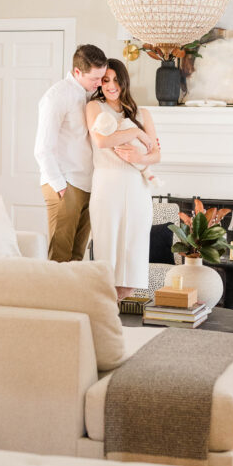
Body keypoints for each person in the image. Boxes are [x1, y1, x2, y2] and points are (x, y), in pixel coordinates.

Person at [85, 58, 161, 300]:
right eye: (105, 80)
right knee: (108, 252)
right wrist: (136, 132)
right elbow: (102, 141)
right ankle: (105, 317)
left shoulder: (143, 113)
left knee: (133, 258)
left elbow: (157, 154)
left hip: (138, 189)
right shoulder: (94, 108)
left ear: (124, 81)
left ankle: (115, 316)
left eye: (116, 80)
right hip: (108, 185)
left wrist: (141, 155)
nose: (111, 86)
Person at [34, 44, 108, 261]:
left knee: (77, 257)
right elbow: (42, 148)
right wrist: (60, 186)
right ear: (77, 72)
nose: (99, 84)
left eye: (102, 77)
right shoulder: (57, 96)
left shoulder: (91, 96)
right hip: (64, 183)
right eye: (95, 78)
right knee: (59, 256)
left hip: (87, 184)